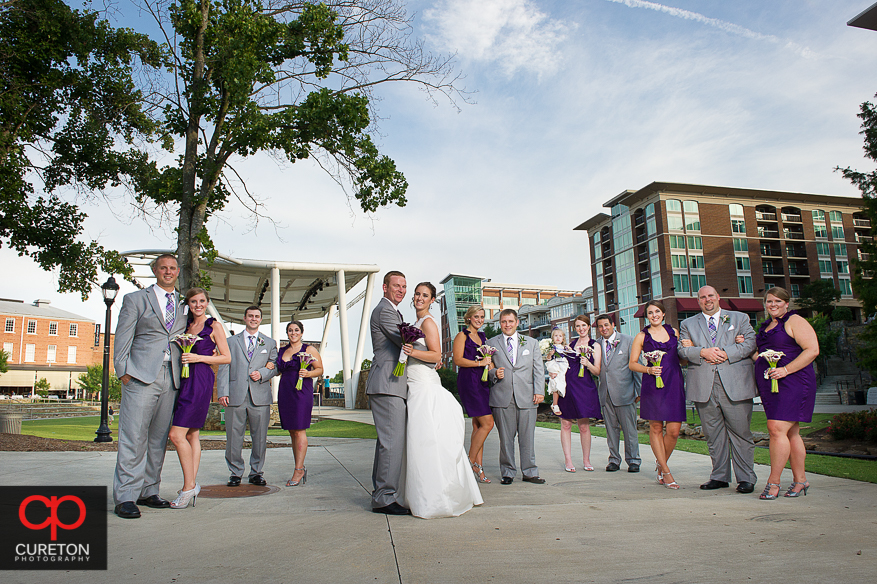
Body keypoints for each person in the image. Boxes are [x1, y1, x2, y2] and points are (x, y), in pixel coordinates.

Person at [112, 253, 188, 519]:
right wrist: (123, 372)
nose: (168, 272)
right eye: (163, 268)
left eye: (172, 268)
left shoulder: (183, 303)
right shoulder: (135, 299)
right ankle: (125, 497)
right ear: (155, 270)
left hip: (172, 377)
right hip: (141, 376)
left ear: (178, 271)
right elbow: (122, 338)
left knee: (157, 439)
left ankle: (148, 490)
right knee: (133, 437)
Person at [398, 282, 483, 518]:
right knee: (417, 440)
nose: (419, 298)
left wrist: (411, 351)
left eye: (425, 295)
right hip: (412, 383)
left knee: (427, 439)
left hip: (424, 385)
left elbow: (437, 354)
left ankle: (436, 497)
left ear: (432, 300)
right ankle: (416, 492)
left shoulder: (427, 323)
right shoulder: (414, 323)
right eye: (417, 294)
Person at [678, 286, 758, 493]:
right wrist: (702, 351)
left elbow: (750, 343)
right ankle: (719, 476)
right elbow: (682, 350)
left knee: (741, 433)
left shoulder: (739, 319)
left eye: (711, 296)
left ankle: (746, 479)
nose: (707, 300)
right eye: (702, 297)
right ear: (698, 301)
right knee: (713, 435)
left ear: (718, 297)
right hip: (703, 386)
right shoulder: (687, 324)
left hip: (735, 384)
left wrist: (726, 353)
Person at [167, 288, 231, 509]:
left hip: (200, 381)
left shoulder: (214, 326)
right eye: (194, 301)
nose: (198, 305)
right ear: (188, 304)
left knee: (176, 434)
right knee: (193, 434)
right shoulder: (184, 326)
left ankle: (188, 488)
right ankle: (191, 485)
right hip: (182, 379)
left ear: (207, 302)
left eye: (202, 301)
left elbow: (226, 357)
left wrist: (198, 357)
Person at [753, 287, 819, 500]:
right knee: (792, 433)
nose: (773, 305)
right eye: (769, 301)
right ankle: (801, 481)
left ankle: (774, 482)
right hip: (773, 384)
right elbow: (761, 355)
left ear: (787, 304)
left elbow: (812, 349)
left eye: (778, 302)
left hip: (794, 381)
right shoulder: (768, 326)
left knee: (776, 428)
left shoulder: (795, 321)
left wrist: (785, 370)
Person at [217, 305, 278, 487]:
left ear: (261, 319)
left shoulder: (269, 343)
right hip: (235, 395)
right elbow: (223, 367)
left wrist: (262, 373)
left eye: (257, 316)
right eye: (250, 316)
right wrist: (222, 392)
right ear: (244, 318)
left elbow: (274, 366)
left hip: (259, 395)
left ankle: (256, 472)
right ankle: (235, 472)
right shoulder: (231, 342)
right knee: (234, 437)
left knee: (259, 437)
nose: (253, 319)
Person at [628, 301, 686, 489]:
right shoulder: (641, 336)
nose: (654, 315)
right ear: (647, 316)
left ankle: (661, 464)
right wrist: (649, 370)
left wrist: (689, 346)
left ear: (663, 314)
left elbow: (682, 359)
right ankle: (666, 472)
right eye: (650, 312)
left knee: (674, 431)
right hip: (653, 385)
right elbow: (632, 364)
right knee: (655, 428)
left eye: (657, 311)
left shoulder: (674, 333)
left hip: (674, 383)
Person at [367, 271, 410, 515]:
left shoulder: (394, 311)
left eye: (404, 286)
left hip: (391, 384)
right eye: (396, 286)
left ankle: (381, 493)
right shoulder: (384, 310)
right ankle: (384, 497)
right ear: (385, 287)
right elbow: (403, 340)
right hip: (387, 383)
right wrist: (431, 350)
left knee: (388, 443)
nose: (401, 290)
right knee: (391, 442)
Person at [486, 309, 546, 485]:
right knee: (506, 438)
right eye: (504, 322)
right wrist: (494, 373)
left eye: (510, 321)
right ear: (500, 323)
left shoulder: (532, 343)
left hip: (527, 396)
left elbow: (538, 369)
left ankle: (530, 472)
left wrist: (539, 391)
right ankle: (508, 472)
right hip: (501, 396)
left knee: (527, 437)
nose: (507, 325)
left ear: (517, 322)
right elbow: (485, 369)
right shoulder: (491, 343)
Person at [550, 315, 601, 473]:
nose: (581, 328)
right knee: (565, 424)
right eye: (578, 326)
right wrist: (553, 372)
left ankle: (586, 460)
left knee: (584, 426)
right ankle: (568, 460)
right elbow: (558, 364)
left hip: (584, 388)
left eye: (584, 325)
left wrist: (588, 363)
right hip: (567, 388)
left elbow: (597, 371)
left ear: (588, 326)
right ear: (575, 328)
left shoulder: (595, 345)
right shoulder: (569, 345)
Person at [276, 320, 323, 487]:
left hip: (302, 392)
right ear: (287, 333)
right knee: (291, 432)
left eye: (296, 330)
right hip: (285, 392)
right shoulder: (282, 350)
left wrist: (308, 373)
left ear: (302, 332)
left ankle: (298, 469)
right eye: (290, 330)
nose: (293, 333)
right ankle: (299, 467)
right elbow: (278, 369)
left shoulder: (309, 349)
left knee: (299, 430)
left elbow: (320, 369)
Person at [452, 305, 495, 483]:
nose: (479, 319)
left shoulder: (483, 336)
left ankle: (479, 468)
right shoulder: (462, 336)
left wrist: (493, 368)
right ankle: (468, 463)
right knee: (488, 423)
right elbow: (458, 360)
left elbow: (488, 360)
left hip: (483, 382)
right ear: (468, 317)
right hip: (469, 382)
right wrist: (480, 364)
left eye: (482, 317)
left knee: (478, 426)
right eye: (476, 316)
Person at [595, 315, 642, 473]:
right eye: (601, 326)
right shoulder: (596, 344)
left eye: (606, 325)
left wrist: (639, 392)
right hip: (605, 394)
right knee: (611, 430)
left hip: (625, 393)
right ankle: (614, 460)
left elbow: (637, 367)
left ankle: (633, 460)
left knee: (630, 430)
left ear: (613, 324)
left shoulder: (628, 341)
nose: (604, 329)